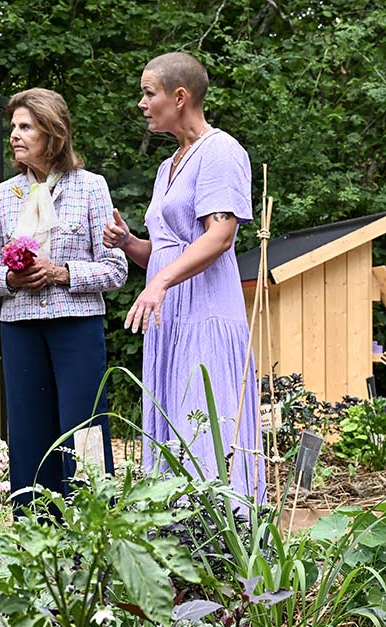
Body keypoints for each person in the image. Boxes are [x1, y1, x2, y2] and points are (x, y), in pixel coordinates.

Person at [102, 52, 264, 502]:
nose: (141, 103)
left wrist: (159, 282)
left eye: (148, 93)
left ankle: (221, 543)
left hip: (206, 313)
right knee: (174, 427)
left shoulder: (221, 152)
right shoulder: (167, 165)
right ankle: (179, 549)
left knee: (203, 425)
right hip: (170, 319)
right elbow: (168, 249)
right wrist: (130, 244)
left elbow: (219, 237)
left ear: (180, 96)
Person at [0, 88, 128, 503]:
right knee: (27, 431)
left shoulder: (91, 188)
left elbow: (116, 270)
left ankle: (93, 522)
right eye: (13, 127)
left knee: (85, 429)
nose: (14, 135)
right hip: (20, 329)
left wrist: (62, 273)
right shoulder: (4, 196)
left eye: (25, 127)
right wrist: (12, 282)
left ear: (53, 133)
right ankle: (34, 530)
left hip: (77, 328)